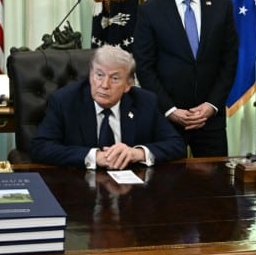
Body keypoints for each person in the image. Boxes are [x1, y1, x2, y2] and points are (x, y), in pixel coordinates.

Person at [133, 0, 238, 156]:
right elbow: (144, 66)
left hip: (210, 118)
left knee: (215, 177)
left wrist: (211, 105)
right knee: (167, 178)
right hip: (167, 119)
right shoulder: (149, 11)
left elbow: (229, 60)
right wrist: (170, 109)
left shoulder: (221, 6)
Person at [30, 45, 186, 168]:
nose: (104, 85)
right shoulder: (65, 101)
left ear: (128, 84)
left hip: (132, 189)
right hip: (79, 186)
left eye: (115, 78)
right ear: (90, 75)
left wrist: (136, 153)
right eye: (99, 75)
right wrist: (94, 156)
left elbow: (177, 145)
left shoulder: (145, 102)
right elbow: (41, 147)